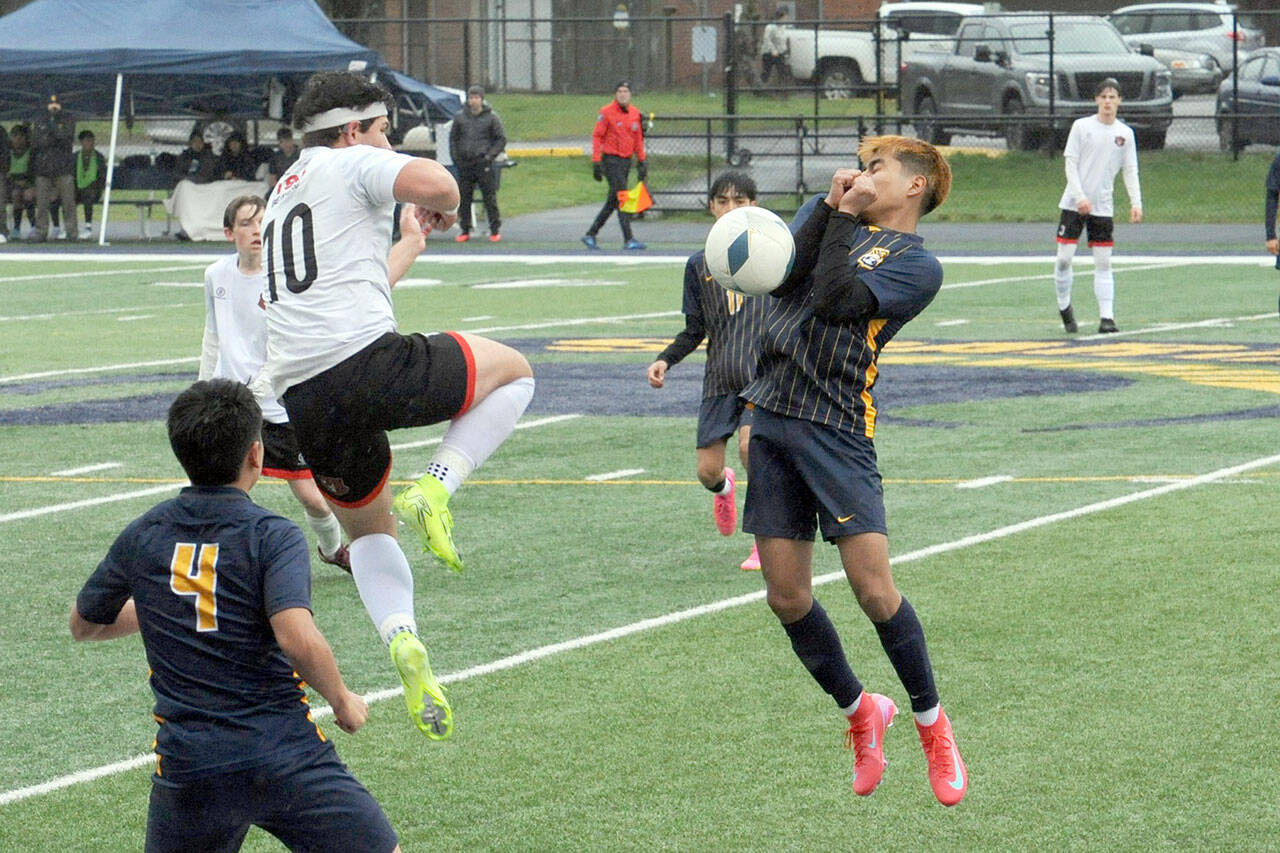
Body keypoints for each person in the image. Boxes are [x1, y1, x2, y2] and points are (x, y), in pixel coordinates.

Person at [260, 70, 534, 740]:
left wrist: (411, 239)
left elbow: (353, 279)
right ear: (353, 129)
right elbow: (441, 186)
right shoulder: (352, 159)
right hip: (363, 363)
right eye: (382, 130)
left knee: (369, 533)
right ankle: (436, 489)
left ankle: (403, 641)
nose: (387, 142)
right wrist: (430, 195)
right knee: (517, 373)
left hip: (304, 395)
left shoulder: (280, 194)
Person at [69, 379, 401, 853]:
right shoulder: (273, 535)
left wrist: (177, 602)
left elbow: (85, 624)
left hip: (191, 765)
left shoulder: (145, 533)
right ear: (255, 454)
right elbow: (295, 636)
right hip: (283, 753)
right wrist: (343, 700)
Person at [739, 135, 967, 806]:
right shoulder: (840, 223)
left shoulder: (918, 265)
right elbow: (780, 275)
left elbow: (838, 298)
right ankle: (862, 709)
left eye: (878, 170)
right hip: (774, 415)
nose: (863, 176)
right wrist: (827, 204)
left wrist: (842, 216)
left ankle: (931, 722)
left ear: (915, 187)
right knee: (786, 597)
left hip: (837, 428)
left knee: (874, 589)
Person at [647, 171, 771, 572]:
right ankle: (725, 488)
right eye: (722, 201)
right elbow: (695, 327)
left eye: (739, 201)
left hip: (763, 376)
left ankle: (764, 544)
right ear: (711, 207)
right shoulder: (699, 264)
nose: (730, 208)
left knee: (753, 448)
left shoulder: (773, 255)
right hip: (720, 377)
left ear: (754, 205)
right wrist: (666, 358)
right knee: (707, 471)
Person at [1053, 77, 1142, 335]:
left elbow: (1130, 170)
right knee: (1064, 260)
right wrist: (1080, 196)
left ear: (1119, 102)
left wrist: (1136, 202)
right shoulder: (1082, 127)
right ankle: (1064, 306)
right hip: (1074, 204)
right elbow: (1070, 163)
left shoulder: (1125, 134)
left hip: (1102, 207)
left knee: (1103, 262)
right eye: (1103, 97)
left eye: (1112, 97)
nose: (1107, 102)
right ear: (1096, 100)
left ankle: (1107, 318)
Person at [582, 81, 647, 251]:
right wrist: (596, 161)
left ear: (630, 94)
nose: (622, 94)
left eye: (625, 91)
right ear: (615, 94)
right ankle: (628, 238)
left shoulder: (635, 113)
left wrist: (641, 160)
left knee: (613, 200)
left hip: (626, 161)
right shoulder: (606, 112)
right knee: (622, 197)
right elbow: (597, 136)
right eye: (619, 91)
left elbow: (638, 138)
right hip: (611, 160)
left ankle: (591, 233)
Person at [449, 85, 506, 243]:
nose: (473, 101)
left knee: (489, 197)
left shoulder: (491, 117)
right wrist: (456, 158)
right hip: (465, 163)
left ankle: (495, 229)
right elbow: (453, 139)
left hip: (483, 163)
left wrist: (489, 156)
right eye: (471, 97)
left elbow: (500, 139)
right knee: (464, 198)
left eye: (476, 97)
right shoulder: (460, 117)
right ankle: (465, 229)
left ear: (482, 99)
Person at [31, 94, 78, 241]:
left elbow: (65, 137)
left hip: (63, 167)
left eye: (56, 105)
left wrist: (52, 127)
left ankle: (72, 232)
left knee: (68, 202)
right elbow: (38, 142)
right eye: (51, 105)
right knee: (42, 204)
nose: (53, 108)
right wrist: (53, 134)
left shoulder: (68, 119)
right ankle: (41, 231)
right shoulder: (39, 120)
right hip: (44, 168)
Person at [74, 129, 107, 238]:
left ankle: (88, 227)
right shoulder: (75, 157)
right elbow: (72, 175)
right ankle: (70, 227)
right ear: (81, 142)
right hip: (78, 189)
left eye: (91, 141)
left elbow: (102, 177)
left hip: (93, 190)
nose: (89, 143)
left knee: (88, 195)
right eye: (86, 141)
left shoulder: (99, 157)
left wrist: (96, 188)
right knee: (68, 196)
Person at [7, 124, 35, 240]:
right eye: (15, 136)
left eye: (21, 136)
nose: (18, 139)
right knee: (16, 194)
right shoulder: (7, 154)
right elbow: (7, 173)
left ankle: (34, 226)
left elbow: (33, 172)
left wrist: (28, 183)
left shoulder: (31, 153)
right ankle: (16, 228)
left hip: (28, 184)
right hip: (13, 185)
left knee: (28, 195)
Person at [760, 7, 791, 87]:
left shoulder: (784, 27)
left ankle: (783, 90)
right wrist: (773, 50)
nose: (786, 20)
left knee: (782, 71)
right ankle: (761, 88)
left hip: (780, 53)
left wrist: (785, 51)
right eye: (784, 18)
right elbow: (766, 39)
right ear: (780, 17)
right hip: (768, 53)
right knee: (766, 72)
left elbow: (783, 40)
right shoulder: (770, 27)